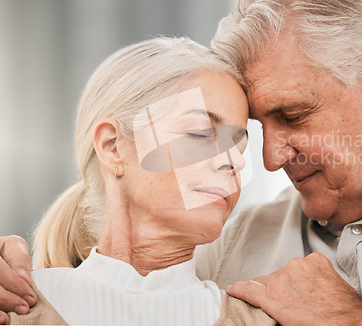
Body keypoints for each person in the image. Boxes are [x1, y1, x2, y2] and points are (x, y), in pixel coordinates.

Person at [0, 0, 362, 326]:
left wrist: (361, 318)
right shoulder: (234, 238)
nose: (266, 157)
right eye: (257, 130)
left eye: (293, 114)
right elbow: (123, 280)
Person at [0, 37, 276, 325]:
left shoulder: (263, 321)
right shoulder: (15, 309)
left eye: (239, 147)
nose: (235, 161)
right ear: (112, 147)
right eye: (199, 132)